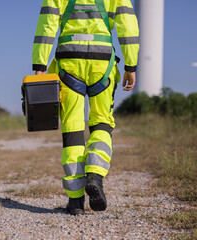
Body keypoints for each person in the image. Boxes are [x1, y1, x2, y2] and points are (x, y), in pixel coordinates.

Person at [32, 0, 139, 215]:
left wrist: (39, 65)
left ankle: (76, 201)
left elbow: (47, 24)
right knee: (102, 122)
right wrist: (131, 65)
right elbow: (128, 25)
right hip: (103, 63)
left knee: (72, 129)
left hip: (68, 61)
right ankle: (95, 176)